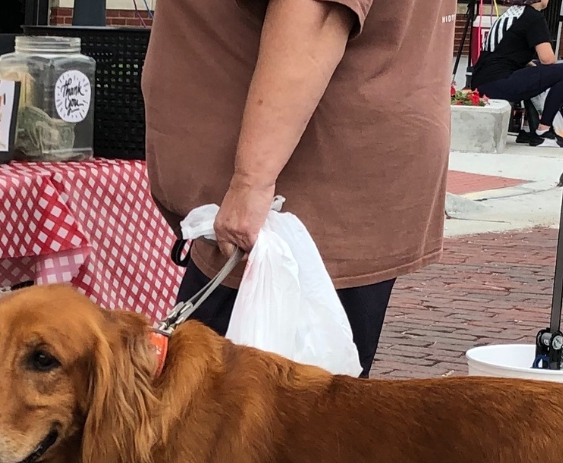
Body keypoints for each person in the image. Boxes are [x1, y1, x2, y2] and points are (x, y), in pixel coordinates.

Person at [143, 0, 451, 378]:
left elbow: (314, 14)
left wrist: (251, 181)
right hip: (293, 195)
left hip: (297, 202)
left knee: (226, 417)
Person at [471, 0, 563, 148]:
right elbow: (548, 59)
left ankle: (527, 129)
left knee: (534, 70)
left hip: (482, 81)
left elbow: (505, 50)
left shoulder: (511, 14)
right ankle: (543, 132)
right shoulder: (533, 17)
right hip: (499, 83)